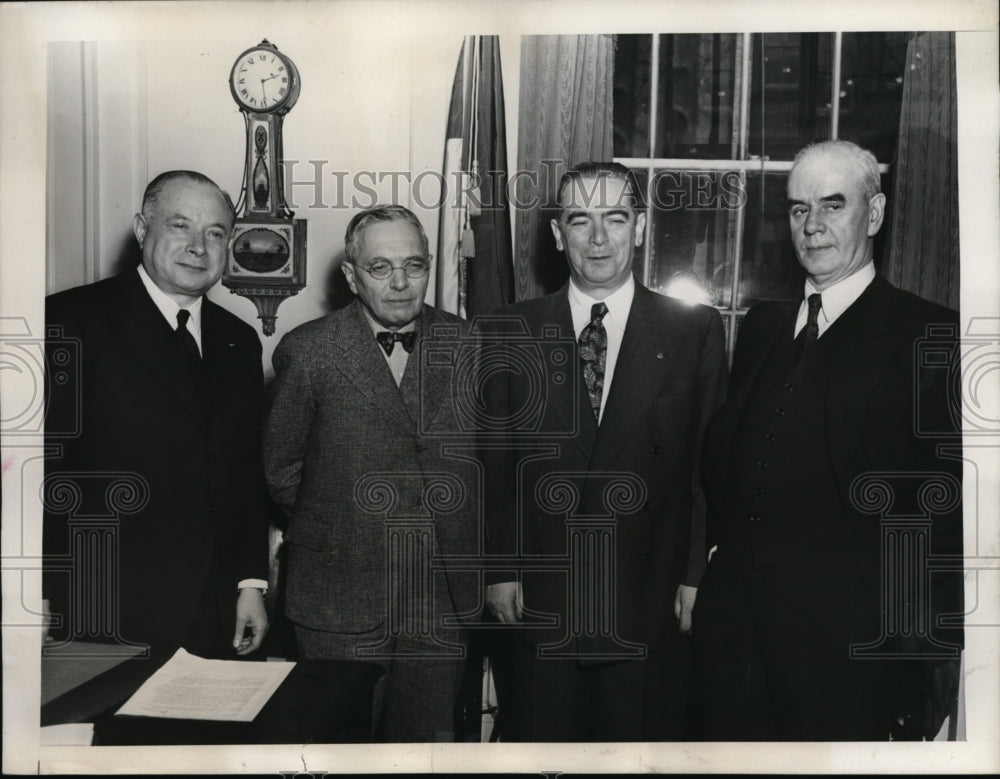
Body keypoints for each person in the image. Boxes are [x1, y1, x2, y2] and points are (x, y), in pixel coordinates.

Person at [693, 140, 963, 740]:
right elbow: (731, 464)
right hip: (734, 645)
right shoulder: (763, 326)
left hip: (843, 654)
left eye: (832, 206)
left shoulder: (928, 333)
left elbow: (938, 515)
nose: (811, 227)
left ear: (873, 214)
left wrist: (920, 653)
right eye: (797, 209)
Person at [483, 161, 728, 741]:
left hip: (648, 603)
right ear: (556, 234)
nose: (598, 239)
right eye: (580, 220)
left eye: (615, 218)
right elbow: (496, 466)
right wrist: (499, 571)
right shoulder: (509, 330)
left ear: (639, 228)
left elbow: (706, 469)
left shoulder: (692, 330)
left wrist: (696, 576)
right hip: (543, 603)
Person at [262, 205, 480, 742]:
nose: (402, 283)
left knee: (425, 747)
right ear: (351, 275)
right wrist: (346, 523)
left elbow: (486, 465)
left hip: (439, 597)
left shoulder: (471, 345)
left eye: (415, 265)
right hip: (338, 597)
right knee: (337, 747)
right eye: (381, 268)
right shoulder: (309, 351)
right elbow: (281, 469)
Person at [44, 170, 270, 659]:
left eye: (215, 233)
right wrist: (34, 593)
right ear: (143, 230)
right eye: (179, 226)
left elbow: (245, 472)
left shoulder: (239, 340)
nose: (198, 246)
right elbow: (35, 469)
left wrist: (251, 582)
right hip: (103, 607)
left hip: (214, 611)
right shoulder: (69, 321)